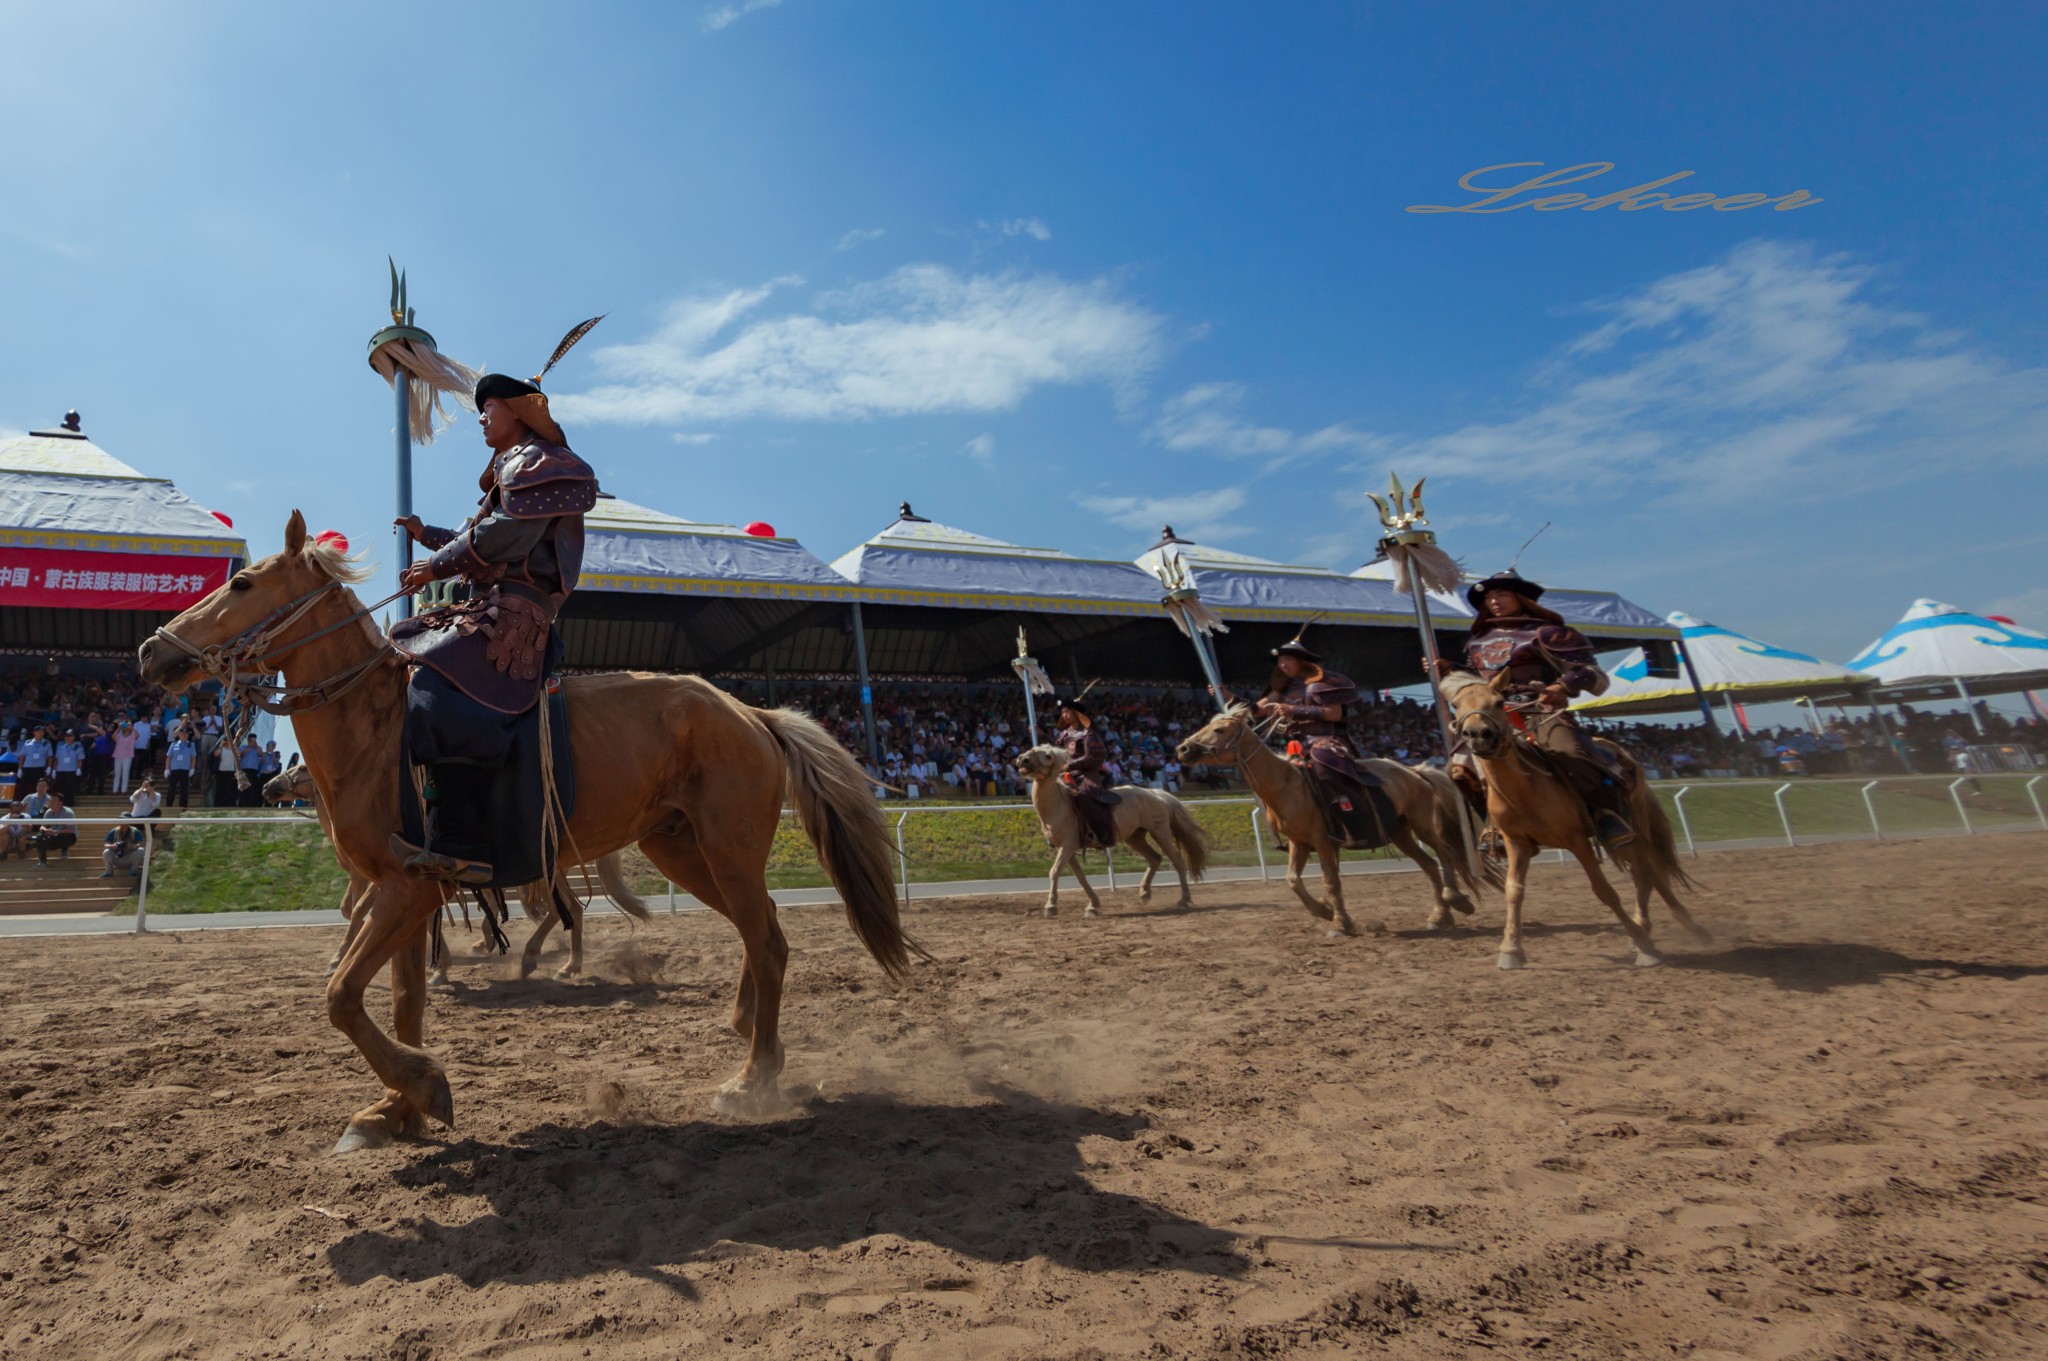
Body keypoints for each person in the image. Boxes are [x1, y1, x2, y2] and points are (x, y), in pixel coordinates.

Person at [387, 350, 600, 885]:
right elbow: (479, 534)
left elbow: (504, 536)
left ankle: (462, 838)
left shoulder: (540, 461)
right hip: (489, 603)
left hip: (515, 611)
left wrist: (434, 563)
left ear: (517, 411)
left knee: (438, 687)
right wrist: (428, 535)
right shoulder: (515, 467)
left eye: (490, 408)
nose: (481, 416)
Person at [1434, 569, 1635, 846]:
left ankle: (1605, 813)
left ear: (1522, 598)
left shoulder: (1549, 633)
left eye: (1502, 594)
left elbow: (1588, 670)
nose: (1494, 601)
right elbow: (1477, 681)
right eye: (1490, 597)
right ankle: (1494, 826)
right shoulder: (1477, 641)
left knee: (1569, 751)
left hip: (1540, 710)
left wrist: (1562, 686)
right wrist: (1449, 671)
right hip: (1495, 714)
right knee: (1458, 769)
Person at [1255, 634, 1384, 825]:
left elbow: (1334, 714)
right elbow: (1257, 710)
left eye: (1288, 659)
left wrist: (1293, 710)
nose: (1282, 665)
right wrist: (1228, 697)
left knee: (1323, 762)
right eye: (1280, 661)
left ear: (1301, 661)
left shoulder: (1323, 682)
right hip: (1296, 743)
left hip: (1325, 738)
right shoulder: (1282, 688)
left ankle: (1347, 802)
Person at [1051, 697, 1121, 848]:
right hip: (1066, 775)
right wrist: (1040, 734)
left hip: (1086, 775)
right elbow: (1054, 752)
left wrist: (1070, 765)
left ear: (1077, 714)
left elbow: (1093, 756)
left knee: (1083, 797)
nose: (1064, 715)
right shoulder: (1064, 735)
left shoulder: (1089, 734)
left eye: (1067, 712)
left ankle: (1098, 834)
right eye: (1063, 712)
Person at [29, 790, 77, 868]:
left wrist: (54, 832)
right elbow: (42, 826)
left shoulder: (68, 812)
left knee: (65, 836)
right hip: (54, 837)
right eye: (50, 800)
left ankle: (64, 848)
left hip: (68, 837)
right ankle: (42, 861)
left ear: (60, 802)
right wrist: (44, 830)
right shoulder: (48, 812)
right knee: (39, 837)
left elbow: (71, 830)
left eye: (54, 801)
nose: (51, 802)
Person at [164, 726, 196, 807]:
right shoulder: (174, 744)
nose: (184, 735)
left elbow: (193, 757)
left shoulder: (191, 744)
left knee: (184, 789)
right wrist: (167, 769)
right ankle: (169, 805)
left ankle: (183, 806)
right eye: (182, 733)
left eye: (185, 733)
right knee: (172, 788)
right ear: (179, 734)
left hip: (185, 769)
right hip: (174, 769)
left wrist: (192, 768)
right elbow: (169, 757)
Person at [52, 729, 84, 805]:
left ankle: (69, 804)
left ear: (73, 737)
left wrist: (78, 768)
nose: (68, 738)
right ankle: (58, 803)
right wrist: (54, 769)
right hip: (60, 770)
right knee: (59, 788)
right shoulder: (60, 747)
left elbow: (80, 759)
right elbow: (56, 759)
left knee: (69, 789)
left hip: (71, 770)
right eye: (66, 736)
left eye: (70, 736)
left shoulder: (78, 746)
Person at [18, 725, 50, 794]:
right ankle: (24, 802)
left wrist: (49, 767)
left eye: (42, 732)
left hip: (39, 768)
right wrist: (20, 769)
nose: (41, 733)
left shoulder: (46, 743)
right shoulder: (27, 742)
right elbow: (22, 756)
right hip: (27, 767)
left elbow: (50, 756)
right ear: (34, 732)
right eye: (39, 732)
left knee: (38, 786)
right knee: (24, 786)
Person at [213, 732, 240, 808]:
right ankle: (219, 805)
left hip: (231, 772)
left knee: (231, 790)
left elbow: (238, 755)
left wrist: (234, 746)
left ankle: (231, 805)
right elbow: (216, 754)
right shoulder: (221, 749)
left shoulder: (233, 748)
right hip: (221, 772)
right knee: (221, 789)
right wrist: (221, 746)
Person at [111, 719, 137, 795]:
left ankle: (123, 790)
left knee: (125, 773)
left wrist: (132, 728)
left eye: (127, 725)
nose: (126, 727)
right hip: (117, 755)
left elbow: (138, 735)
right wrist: (119, 728)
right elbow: (113, 737)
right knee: (117, 773)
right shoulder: (119, 734)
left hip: (128, 756)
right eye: (125, 725)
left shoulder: (132, 735)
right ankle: (115, 790)